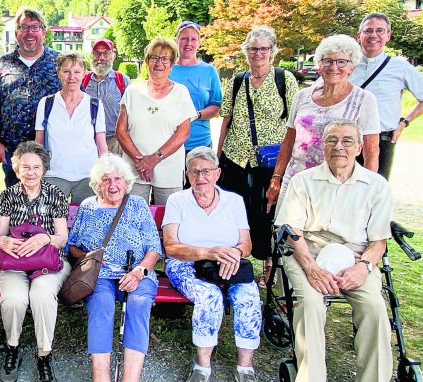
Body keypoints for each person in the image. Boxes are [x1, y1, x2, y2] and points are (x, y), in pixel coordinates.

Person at [274, 120, 393, 381]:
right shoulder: (303, 181)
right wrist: (312, 268)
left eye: (347, 141)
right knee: (311, 304)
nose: (339, 146)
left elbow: (378, 242)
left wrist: (363, 268)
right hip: (307, 249)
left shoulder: (376, 186)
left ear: (359, 147)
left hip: (356, 255)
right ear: (323, 146)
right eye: (332, 140)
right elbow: (292, 231)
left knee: (374, 307)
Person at [162, 147, 260, 382]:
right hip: (185, 262)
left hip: (228, 261)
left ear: (217, 173)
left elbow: (246, 244)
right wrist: (207, 252)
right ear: (187, 175)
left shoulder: (234, 201)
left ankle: (245, 368)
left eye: (206, 171)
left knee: (248, 296)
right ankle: (202, 366)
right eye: (194, 172)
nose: (200, 177)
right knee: (210, 296)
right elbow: (171, 247)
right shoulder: (178, 200)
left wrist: (234, 253)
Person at [67, 154, 162, 382]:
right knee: (101, 304)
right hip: (99, 275)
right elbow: (72, 246)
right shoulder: (88, 207)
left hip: (137, 273)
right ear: (97, 184)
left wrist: (139, 271)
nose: (113, 185)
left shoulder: (137, 204)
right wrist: (91, 258)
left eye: (118, 179)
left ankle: (131, 378)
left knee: (138, 305)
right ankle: (101, 378)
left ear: (126, 181)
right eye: (106, 180)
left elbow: (154, 248)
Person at [217, 26, 299, 286]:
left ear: (273, 51)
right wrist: (217, 157)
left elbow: (293, 125)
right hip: (235, 158)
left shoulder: (284, 80)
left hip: (269, 162)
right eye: (253, 49)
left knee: (267, 213)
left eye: (264, 48)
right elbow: (226, 121)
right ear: (246, 52)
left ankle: (268, 267)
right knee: (233, 212)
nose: (258, 53)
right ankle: (231, 263)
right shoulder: (236, 81)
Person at [266, 34, 380, 214]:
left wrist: (365, 191)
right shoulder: (302, 96)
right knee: (286, 234)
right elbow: (289, 141)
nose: (334, 67)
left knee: (325, 238)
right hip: (295, 180)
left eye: (341, 62)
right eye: (327, 61)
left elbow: (371, 152)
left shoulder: (364, 100)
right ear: (319, 65)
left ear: (352, 67)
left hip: (337, 184)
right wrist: (277, 177)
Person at [0, 141, 70, 382]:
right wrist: (3, 243)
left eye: (36, 167)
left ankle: (44, 354)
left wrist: (44, 238)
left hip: (49, 260)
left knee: (42, 295)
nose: (31, 172)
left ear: (44, 169)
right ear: (16, 169)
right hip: (15, 261)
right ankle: (12, 347)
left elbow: (62, 238)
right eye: (25, 167)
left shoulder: (55, 194)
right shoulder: (7, 196)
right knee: (14, 298)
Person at [0, 7, 61, 187]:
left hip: (54, 152)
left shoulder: (60, 63)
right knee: (17, 207)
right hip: (14, 154)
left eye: (35, 27)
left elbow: (76, 100)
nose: (29, 33)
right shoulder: (3, 64)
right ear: (16, 33)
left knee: (52, 207)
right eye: (24, 27)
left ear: (44, 32)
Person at [351, 13, 423, 179]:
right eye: (368, 30)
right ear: (359, 35)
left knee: (375, 193)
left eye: (380, 30)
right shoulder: (346, 65)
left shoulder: (399, 67)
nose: (374, 35)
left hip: (382, 139)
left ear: (388, 36)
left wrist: (405, 122)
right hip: (346, 138)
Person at [115, 37, 195, 206]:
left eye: (165, 58)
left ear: (172, 64)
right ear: (147, 62)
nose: (159, 63)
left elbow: (183, 133)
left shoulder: (181, 93)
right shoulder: (132, 91)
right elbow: (121, 131)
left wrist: (154, 159)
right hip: (135, 169)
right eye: (154, 58)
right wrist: (141, 161)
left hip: (169, 170)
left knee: (169, 221)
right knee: (133, 219)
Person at [35, 51, 108, 203]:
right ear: (59, 73)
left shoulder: (94, 105)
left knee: (87, 223)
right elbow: (38, 143)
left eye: (76, 72)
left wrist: (104, 172)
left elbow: (101, 145)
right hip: (54, 175)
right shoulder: (46, 103)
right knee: (52, 223)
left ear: (84, 74)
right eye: (66, 71)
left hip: (88, 176)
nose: (71, 77)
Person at [170, 21, 222, 152]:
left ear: (199, 43)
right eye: (184, 39)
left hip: (199, 143)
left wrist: (195, 115)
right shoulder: (166, 68)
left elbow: (216, 105)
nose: (189, 43)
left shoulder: (209, 71)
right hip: (168, 144)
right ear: (177, 41)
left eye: (193, 39)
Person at [82, 38, 131, 155]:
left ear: (113, 56)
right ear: (91, 56)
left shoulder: (122, 81)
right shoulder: (82, 80)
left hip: (115, 142)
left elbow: (131, 113)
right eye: (97, 53)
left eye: (106, 53)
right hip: (88, 142)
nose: (101, 58)